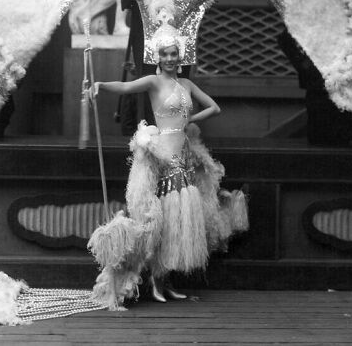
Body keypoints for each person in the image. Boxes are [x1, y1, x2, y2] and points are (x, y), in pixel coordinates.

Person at [87, 23, 249, 310]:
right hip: (163, 156)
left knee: (179, 221)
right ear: (158, 57)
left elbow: (214, 107)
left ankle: (167, 281)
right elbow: (125, 86)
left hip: (184, 157)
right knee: (161, 220)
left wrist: (191, 120)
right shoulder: (153, 82)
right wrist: (100, 85)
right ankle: (155, 280)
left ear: (180, 55)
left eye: (174, 54)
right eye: (165, 54)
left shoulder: (186, 85)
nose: (171, 59)